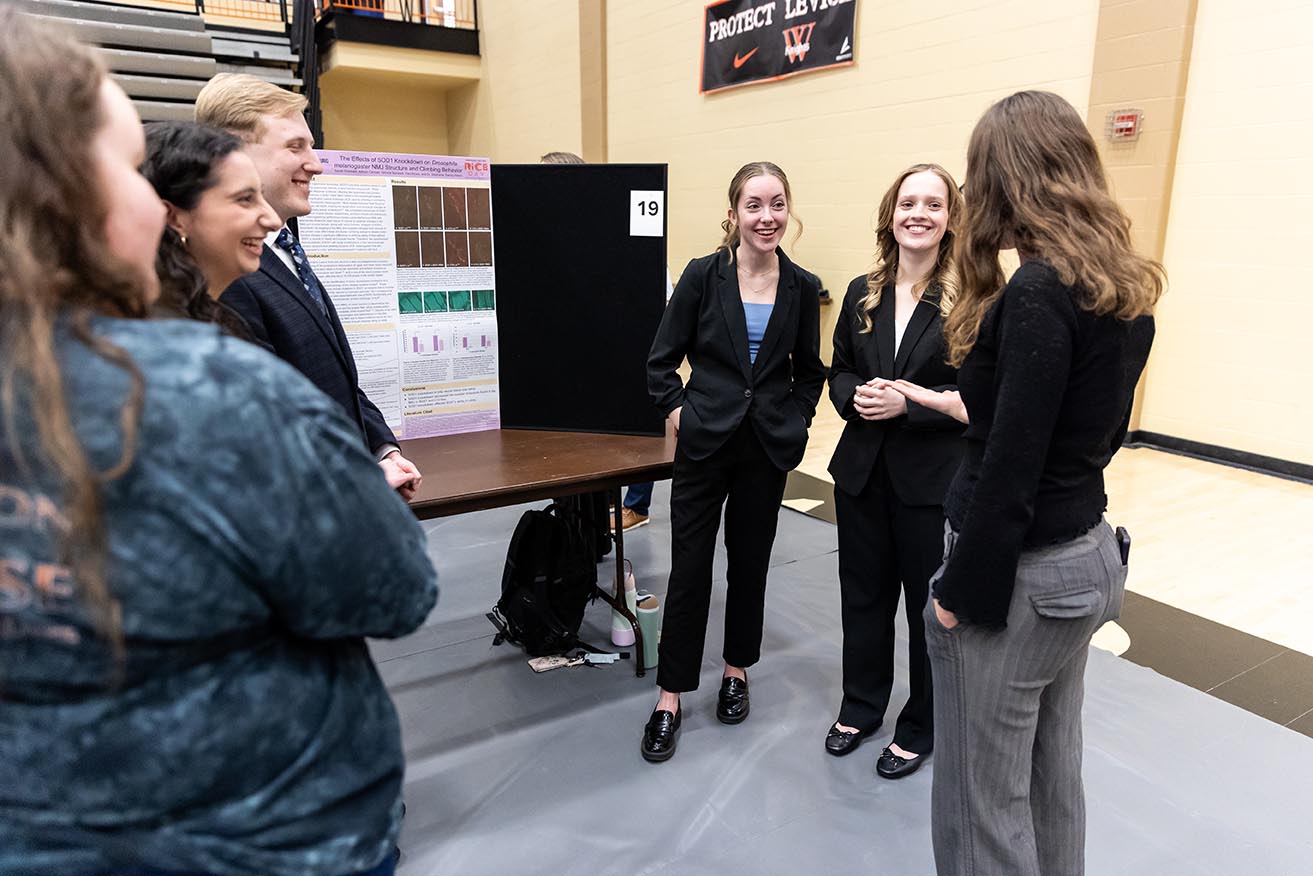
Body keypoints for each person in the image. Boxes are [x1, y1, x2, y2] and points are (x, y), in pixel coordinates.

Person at [0, 12, 438, 875]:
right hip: (264, 836)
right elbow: (395, 591)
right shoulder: (212, 390)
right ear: (64, 200)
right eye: (127, 170)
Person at [925, 90, 1161, 876]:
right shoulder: (1118, 286)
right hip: (1083, 557)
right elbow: (1096, 437)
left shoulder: (1037, 291)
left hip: (1021, 577)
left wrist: (962, 591)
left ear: (1003, 178)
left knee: (980, 800)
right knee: (1048, 775)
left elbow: (1008, 469)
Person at [641, 161, 826, 762]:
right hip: (704, 445)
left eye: (776, 204)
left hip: (765, 448)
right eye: (754, 205)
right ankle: (670, 695)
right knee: (689, 569)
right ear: (733, 214)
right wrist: (678, 413)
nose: (766, 217)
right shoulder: (701, 277)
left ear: (788, 210)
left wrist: (796, 419)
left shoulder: (800, 285)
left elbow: (810, 372)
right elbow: (660, 362)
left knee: (750, 566)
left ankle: (736, 671)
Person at [194, 74, 423, 500]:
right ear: (231, 152)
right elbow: (268, 421)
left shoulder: (283, 248)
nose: (316, 164)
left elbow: (335, 378)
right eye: (295, 147)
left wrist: (381, 449)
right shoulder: (228, 272)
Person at [824, 164, 966, 780]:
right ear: (891, 214)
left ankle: (921, 725)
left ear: (950, 219)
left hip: (929, 482)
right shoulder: (862, 290)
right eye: (909, 202)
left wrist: (907, 406)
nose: (919, 213)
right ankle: (861, 707)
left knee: (923, 610)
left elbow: (974, 398)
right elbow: (839, 370)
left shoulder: (972, 301)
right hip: (861, 475)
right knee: (863, 598)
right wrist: (856, 395)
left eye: (933, 204)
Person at [141, 121, 281, 329]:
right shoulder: (163, 336)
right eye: (245, 199)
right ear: (172, 217)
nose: (274, 221)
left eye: (261, 195)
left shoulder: (210, 320)